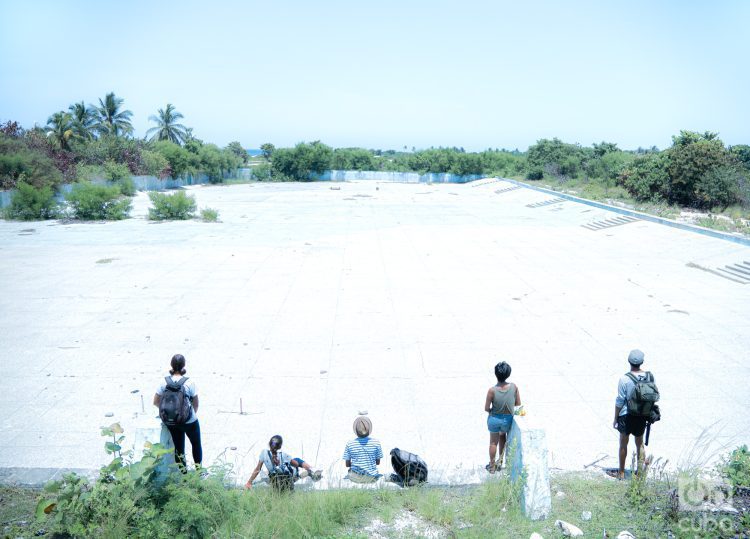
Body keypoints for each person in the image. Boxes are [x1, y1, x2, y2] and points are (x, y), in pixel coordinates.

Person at [153, 354, 203, 474]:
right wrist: (187, 415)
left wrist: (170, 413)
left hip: (172, 422)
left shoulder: (163, 382)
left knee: (179, 448)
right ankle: (199, 472)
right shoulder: (189, 382)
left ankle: (184, 475)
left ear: (171, 365)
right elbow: (196, 404)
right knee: (196, 444)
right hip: (189, 421)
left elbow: (155, 402)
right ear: (184, 365)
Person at [613, 349, 654, 479]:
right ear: (642, 362)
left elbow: (620, 401)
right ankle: (640, 473)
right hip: (641, 415)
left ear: (629, 361)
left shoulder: (624, 379)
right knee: (639, 443)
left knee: (623, 443)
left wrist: (615, 418)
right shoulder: (649, 376)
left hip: (626, 415)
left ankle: (621, 472)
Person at [245, 435, 322, 490]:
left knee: (267, 472)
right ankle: (312, 470)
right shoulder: (284, 455)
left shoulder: (264, 453)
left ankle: (249, 485)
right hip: (288, 480)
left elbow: (257, 470)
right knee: (297, 460)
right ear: (280, 446)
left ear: (269, 444)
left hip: (274, 481)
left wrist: (249, 482)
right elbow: (296, 464)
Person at [484, 361, 521, 473]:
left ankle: (492, 467)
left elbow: (486, 408)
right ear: (508, 374)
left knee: (493, 443)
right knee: (502, 437)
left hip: (494, 419)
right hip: (507, 421)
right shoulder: (514, 387)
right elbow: (517, 403)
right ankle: (500, 463)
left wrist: (492, 411)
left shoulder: (492, 390)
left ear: (496, 374)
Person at [343, 416, 383, 483]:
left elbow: (347, 465)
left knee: (351, 472)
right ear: (368, 430)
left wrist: (357, 463)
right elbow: (378, 463)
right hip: (371, 477)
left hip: (355, 478)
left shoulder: (350, 444)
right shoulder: (376, 443)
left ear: (356, 430)